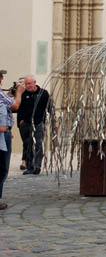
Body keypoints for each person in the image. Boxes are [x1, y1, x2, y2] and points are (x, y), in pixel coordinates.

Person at [0, 71, 24, 210]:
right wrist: (19, 93)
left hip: (6, 132)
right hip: (3, 134)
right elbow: (15, 106)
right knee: (2, 167)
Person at [17, 75, 50, 175]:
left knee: (38, 144)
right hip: (26, 123)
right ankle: (29, 166)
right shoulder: (24, 94)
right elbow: (20, 109)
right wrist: (20, 123)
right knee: (28, 145)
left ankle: (37, 166)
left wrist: (54, 122)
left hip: (38, 123)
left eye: (29, 83)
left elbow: (50, 107)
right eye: (26, 84)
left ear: (34, 82)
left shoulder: (43, 93)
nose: (28, 86)